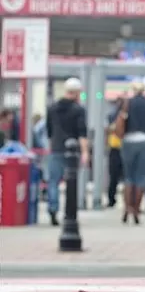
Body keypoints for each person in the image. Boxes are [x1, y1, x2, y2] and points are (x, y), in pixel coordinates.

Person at [46, 78, 89, 226]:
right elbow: (82, 133)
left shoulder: (52, 108)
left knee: (53, 182)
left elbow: (49, 131)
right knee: (71, 182)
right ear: (77, 93)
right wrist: (85, 152)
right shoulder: (79, 110)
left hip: (56, 148)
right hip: (72, 151)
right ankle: (69, 213)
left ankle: (53, 208)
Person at [119, 82, 145, 224]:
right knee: (141, 176)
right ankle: (136, 210)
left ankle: (126, 208)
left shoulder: (127, 103)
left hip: (128, 140)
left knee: (128, 177)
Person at [106, 98, 124, 208]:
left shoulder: (111, 116)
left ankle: (111, 199)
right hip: (122, 147)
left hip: (114, 147)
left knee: (113, 176)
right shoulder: (125, 116)